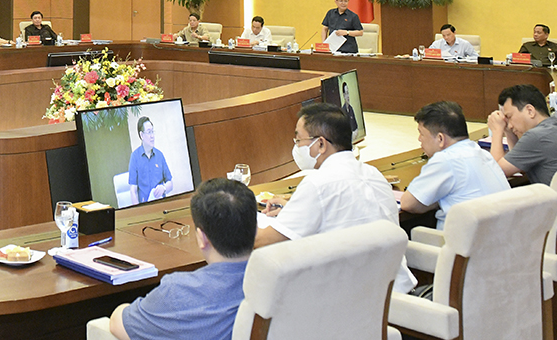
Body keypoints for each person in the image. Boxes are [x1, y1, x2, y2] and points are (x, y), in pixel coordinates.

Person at [256, 103, 415, 293]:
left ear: (321, 144)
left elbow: (264, 241)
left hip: (349, 298)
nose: (296, 147)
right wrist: (291, 208)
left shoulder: (318, 183)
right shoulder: (373, 173)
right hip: (393, 292)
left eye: (298, 140)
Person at [107, 178, 255, 340]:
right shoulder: (272, 279)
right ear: (254, 229)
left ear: (202, 238)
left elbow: (118, 325)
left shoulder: (178, 292)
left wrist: (122, 308)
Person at [400, 101, 509, 229]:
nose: (419, 139)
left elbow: (408, 204)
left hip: (464, 240)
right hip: (499, 236)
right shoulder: (482, 153)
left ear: (440, 139)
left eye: (421, 133)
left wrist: (437, 199)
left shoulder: (445, 159)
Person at [487, 84, 557, 186]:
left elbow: (495, 172)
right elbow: (517, 163)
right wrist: (509, 133)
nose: (509, 125)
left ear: (530, 111)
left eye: (509, 117)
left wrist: (497, 130)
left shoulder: (536, 136)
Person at [127, 116, 172, 204]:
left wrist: (164, 188)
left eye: (152, 132)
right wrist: (139, 210)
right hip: (145, 206)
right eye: (149, 132)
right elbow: (133, 191)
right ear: (141, 135)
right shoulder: (135, 157)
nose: (152, 136)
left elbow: (170, 183)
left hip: (162, 204)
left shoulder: (159, 155)